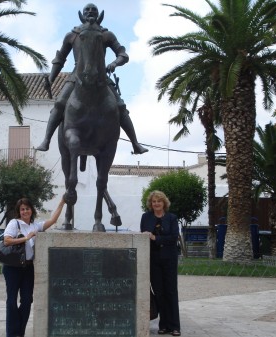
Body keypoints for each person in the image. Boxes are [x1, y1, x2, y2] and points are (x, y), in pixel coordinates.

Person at [36, 3, 148, 155]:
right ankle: (46, 140)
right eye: (87, 10)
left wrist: (114, 63)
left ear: (98, 14)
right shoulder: (72, 35)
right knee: (60, 103)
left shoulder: (106, 34)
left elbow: (122, 54)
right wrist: (51, 79)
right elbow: (60, 59)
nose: (90, 12)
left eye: (93, 10)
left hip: (101, 76)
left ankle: (135, 143)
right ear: (82, 14)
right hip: (76, 76)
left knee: (120, 107)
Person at [2, 196, 65, 337]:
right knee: (11, 300)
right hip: (12, 267)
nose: (25, 211)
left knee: (27, 300)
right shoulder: (14, 223)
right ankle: (12, 334)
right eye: (22, 209)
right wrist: (25, 238)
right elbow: (6, 241)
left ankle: (20, 331)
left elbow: (52, 220)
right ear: (19, 211)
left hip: (28, 268)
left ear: (32, 210)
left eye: (27, 208)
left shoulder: (35, 226)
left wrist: (62, 202)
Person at [141, 190, 181, 336]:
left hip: (169, 259)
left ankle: (175, 326)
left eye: (159, 201)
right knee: (159, 292)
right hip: (153, 259)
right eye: (154, 201)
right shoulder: (146, 217)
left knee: (170, 291)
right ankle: (163, 325)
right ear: (151, 204)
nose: (156, 203)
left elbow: (173, 237)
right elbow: (143, 236)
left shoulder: (172, 218)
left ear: (164, 203)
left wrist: (155, 238)